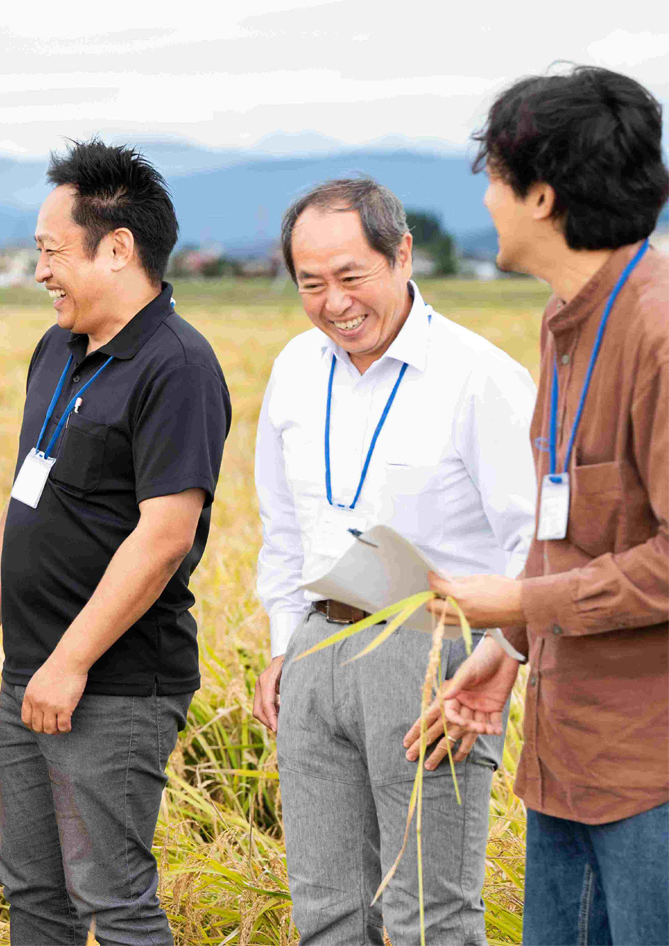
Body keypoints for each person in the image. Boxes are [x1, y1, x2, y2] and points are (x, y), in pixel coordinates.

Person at [0, 139, 231, 946]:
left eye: (50, 251)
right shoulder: (60, 350)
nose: (40, 271)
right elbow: (24, 493)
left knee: (113, 897)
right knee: (33, 891)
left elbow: (165, 535)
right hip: (32, 674)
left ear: (117, 249)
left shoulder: (177, 365)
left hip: (112, 688)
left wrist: (70, 664)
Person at [251, 178, 536, 944]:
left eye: (352, 277)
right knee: (326, 912)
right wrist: (284, 646)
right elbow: (282, 525)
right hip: (318, 643)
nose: (335, 302)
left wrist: (501, 655)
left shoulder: (482, 379)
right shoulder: (295, 370)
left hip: (433, 654)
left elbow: (536, 546)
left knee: (426, 916)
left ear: (402, 254)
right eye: (312, 284)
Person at [432, 65, 669, 945]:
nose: (486, 201)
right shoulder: (564, 320)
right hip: (567, 750)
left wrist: (520, 602)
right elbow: (575, 525)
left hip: (651, 769)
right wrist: (510, 645)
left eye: (494, 178)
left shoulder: (658, 333)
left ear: (540, 195)